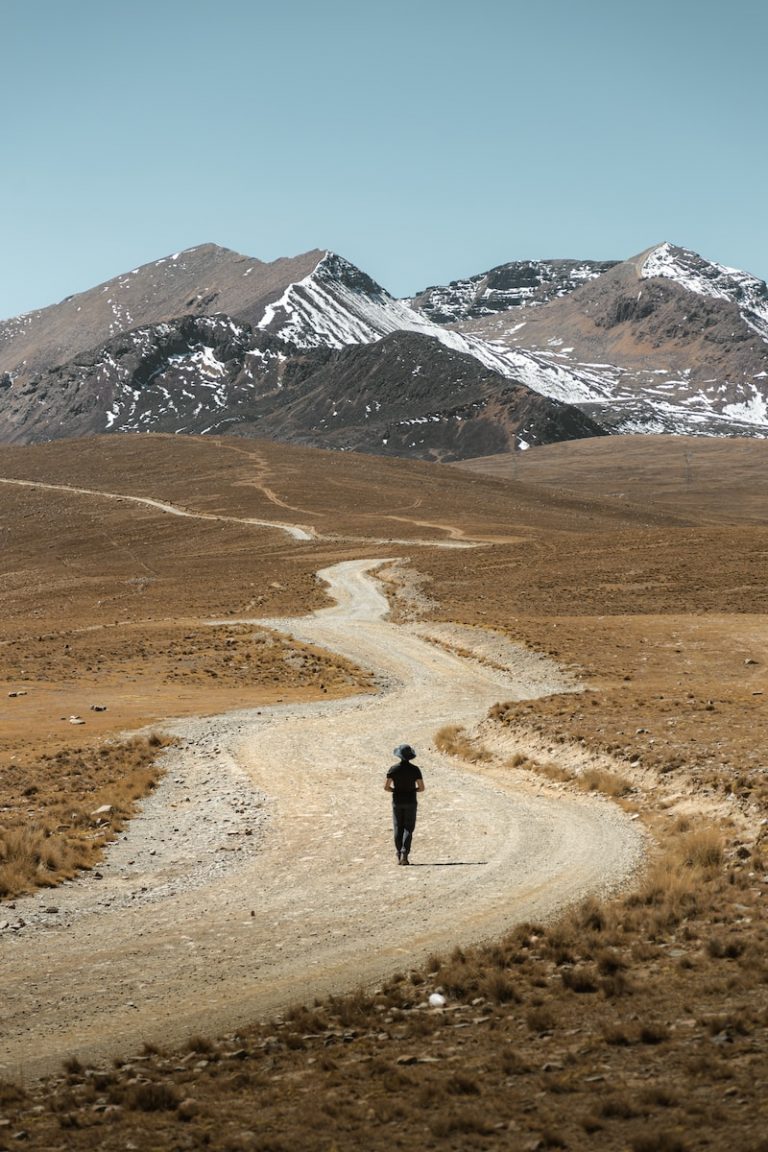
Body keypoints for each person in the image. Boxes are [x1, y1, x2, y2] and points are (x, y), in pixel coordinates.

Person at [385, 743, 424, 865]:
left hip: (397, 801)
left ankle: (398, 853)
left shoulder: (393, 769)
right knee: (408, 827)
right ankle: (404, 854)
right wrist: (413, 791)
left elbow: (386, 787)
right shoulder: (415, 770)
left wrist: (395, 790)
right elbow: (421, 788)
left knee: (398, 827)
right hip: (411, 801)